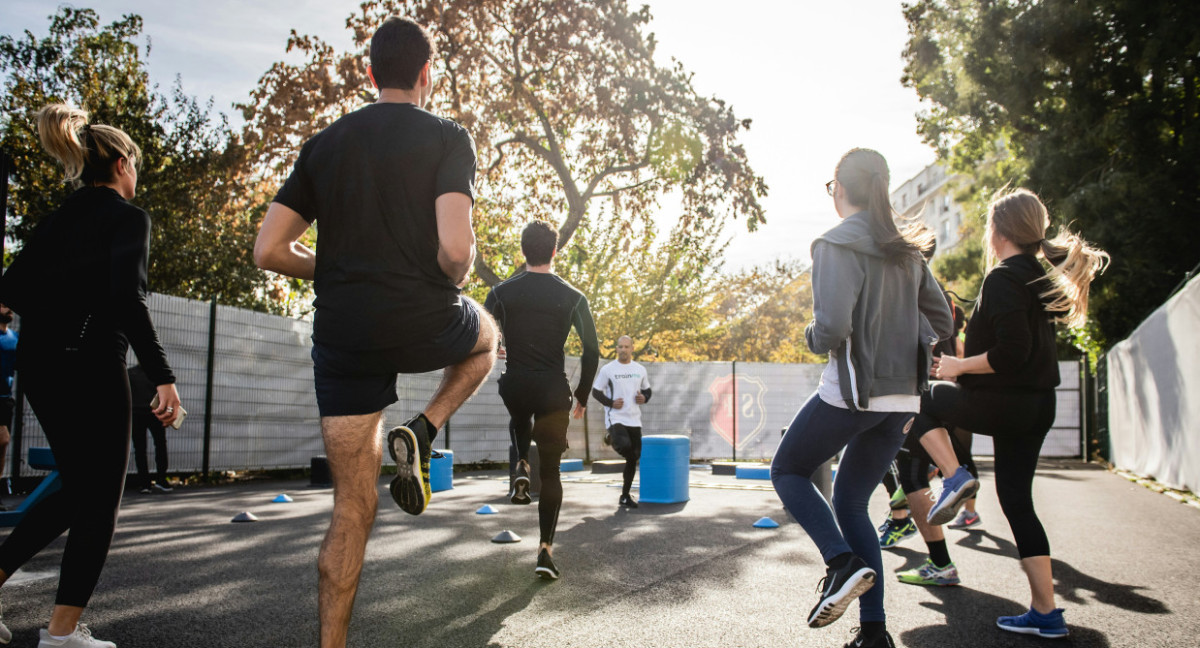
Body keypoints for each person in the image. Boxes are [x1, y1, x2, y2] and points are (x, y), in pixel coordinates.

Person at [252, 17, 497, 648]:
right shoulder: (448, 136)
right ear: (425, 75)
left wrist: (329, 270)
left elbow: (269, 250)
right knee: (487, 339)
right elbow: (453, 251)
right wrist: (455, 269)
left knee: (350, 511)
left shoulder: (325, 144)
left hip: (344, 334)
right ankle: (424, 426)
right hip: (425, 317)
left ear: (369, 73)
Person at [0, 104, 182, 648]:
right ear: (123, 163)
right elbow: (129, 299)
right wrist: (163, 377)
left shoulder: (58, 218)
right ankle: (62, 633)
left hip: (42, 368)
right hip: (92, 363)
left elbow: (10, 292)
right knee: (100, 497)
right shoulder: (128, 217)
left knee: (78, 489)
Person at [769, 148, 953, 648]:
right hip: (903, 401)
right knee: (851, 503)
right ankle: (874, 633)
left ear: (841, 190)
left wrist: (810, 336)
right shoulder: (908, 251)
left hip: (852, 394)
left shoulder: (834, 244)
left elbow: (830, 328)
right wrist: (912, 348)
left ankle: (840, 562)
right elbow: (943, 321)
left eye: (831, 188)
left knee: (786, 471)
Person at [908, 188, 1108, 638]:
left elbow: (1012, 353)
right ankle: (1045, 612)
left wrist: (959, 366)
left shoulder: (1002, 278)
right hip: (1037, 405)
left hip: (1006, 403)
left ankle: (955, 476)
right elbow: (1019, 348)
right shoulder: (1036, 276)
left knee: (917, 400)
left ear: (998, 231)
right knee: (1018, 501)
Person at [484, 220, 600, 580]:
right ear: (554, 250)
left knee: (519, 415)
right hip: (553, 390)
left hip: (516, 383)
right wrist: (581, 395)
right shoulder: (574, 296)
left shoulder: (502, 292)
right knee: (551, 472)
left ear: (523, 250)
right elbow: (592, 351)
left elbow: (482, 333)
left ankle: (520, 462)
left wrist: (498, 346)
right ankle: (545, 551)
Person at [591, 336, 652, 508]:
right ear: (616, 349)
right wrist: (610, 403)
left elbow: (648, 390)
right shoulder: (608, 370)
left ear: (632, 348)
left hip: (634, 419)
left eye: (626, 346)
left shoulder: (640, 369)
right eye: (620, 347)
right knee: (625, 448)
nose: (623, 350)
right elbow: (596, 392)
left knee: (634, 457)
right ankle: (612, 436)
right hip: (615, 417)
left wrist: (644, 397)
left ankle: (624, 496)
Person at [127, 365, 172, 494]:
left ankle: (145, 483)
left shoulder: (130, 373)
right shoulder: (157, 373)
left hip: (137, 414)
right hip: (155, 414)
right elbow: (165, 395)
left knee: (140, 449)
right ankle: (161, 479)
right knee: (160, 445)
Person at [0, 304, 17, 504]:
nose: (9, 309)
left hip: (6, 401)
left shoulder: (14, 338)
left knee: (3, 447)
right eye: (4, 305)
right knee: (2, 439)